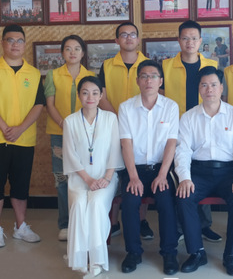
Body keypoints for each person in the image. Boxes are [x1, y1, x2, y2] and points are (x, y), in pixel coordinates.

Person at [175, 66, 233, 276]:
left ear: (221, 88)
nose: (209, 89)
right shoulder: (188, 117)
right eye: (204, 85)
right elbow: (182, 151)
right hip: (198, 172)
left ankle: (231, 255)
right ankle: (196, 252)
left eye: (213, 85)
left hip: (228, 173)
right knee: (184, 197)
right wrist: (184, 178)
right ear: (199, 89)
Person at [0, 24, 45, 248]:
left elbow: (38, 105)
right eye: (10, 40)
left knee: (20, 185)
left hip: (24, 139)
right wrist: (6, 127)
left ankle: (20, 227)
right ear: (2, 43)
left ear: (25, 44)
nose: (15, 44)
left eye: (19, 40)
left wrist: (20, 128)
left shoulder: (34, 73)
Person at [161, 20, 221, 242]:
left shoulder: (211, 64)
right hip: (173, 127)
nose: (190, 42)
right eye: (185, 38)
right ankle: (180, 226)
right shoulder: (166, 66)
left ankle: (204, 225)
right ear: (178, 40)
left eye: (194, 38)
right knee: (178, 174)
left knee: (201, 170)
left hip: (203, 124)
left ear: (200, 41)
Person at [118, 60, 180, 275]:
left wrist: (163, 175)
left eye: (153, 76)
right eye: (144, 76)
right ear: (137, 81)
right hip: (134, 169)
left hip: (160, 169)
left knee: (166, 201)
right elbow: (126, 144)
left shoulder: (171, 107)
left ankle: (169, 252)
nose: (149, 80)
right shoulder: (126, 108)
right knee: (129, 202)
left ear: (160, 81)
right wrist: (133, 177)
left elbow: (171, 143)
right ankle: (133, 252)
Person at [61, 76, 124, 276]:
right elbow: (70, 154)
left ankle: (97, 259)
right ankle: (79, 257)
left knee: (96, 204)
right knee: (79, 205)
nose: (90, 97)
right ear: (79, 95)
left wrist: (106, 178)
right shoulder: (70, 121)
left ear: (101, 95)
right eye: (85, 93)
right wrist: (88, 180)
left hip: (106, 176)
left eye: (95, 93)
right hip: (79, 178)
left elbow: (115, 150)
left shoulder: (110, 118)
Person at [97, 21, 153, 238]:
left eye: (132, 34)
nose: (128, 38)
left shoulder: (148, 64)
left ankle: (141, 220)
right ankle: (113, 222)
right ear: (117, 40)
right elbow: (101, 96)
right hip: (113, 127)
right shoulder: (107, 65)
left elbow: (157, 94)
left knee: (139, 172)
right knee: (115, 174)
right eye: (124, 35)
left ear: (138, 39)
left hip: (143, 128)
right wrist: (119, 119)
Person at [44, 35, 95, 242]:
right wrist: (64, 125)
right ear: (62, 53)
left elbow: (94, 104)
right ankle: (65, 224)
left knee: (85, 176)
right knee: (62, 179)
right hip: (59, 134)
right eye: (68, 49)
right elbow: (50, 104)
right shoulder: (53, 75)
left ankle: (84, 222)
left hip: (86, 135)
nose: (72, 52)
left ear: (83, 53)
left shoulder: (91, 75)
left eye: (77, 48)